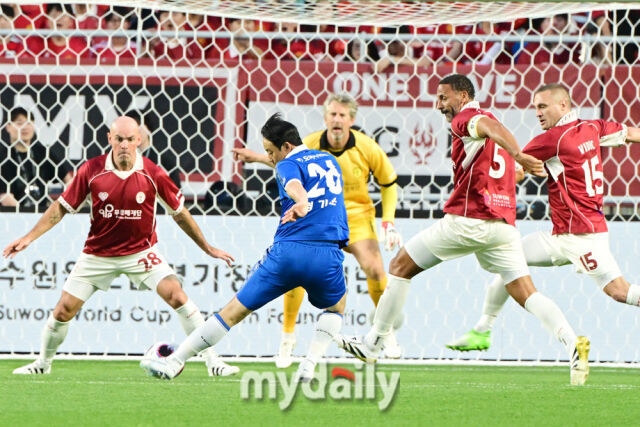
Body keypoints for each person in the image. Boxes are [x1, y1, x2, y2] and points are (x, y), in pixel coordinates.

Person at [336, 74, 591, 386]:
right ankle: (572, 343)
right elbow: (507, 166)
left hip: (467, 221)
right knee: (526, 292)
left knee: (400, 266)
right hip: (502, 227)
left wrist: (519, 155)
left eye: (444, 97)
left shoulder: (467, 119)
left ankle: (374, 343)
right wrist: (515, 164)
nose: (438, 105)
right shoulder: (492, 124)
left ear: (463, 96)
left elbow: (489, 128)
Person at [5, 116, 239, 377]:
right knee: (63, 311)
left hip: (142, 253)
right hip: (98, 254)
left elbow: (180, 213)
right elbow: (61, 208)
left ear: (139, 139)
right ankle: (42, 364)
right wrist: (29, 237)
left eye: (129, 139)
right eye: (119, 139)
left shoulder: (153, 173)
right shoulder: (91, 170)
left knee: (177, 295)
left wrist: (208, 248)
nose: (124, 145)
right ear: (110, 139)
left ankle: (213, 362)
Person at [141, 113, 350, 382]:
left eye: (270, 151)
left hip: (288, 253)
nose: (270, 157)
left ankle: (174, 361)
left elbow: (293, 181)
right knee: (335, 308)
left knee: (232, 313)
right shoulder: (329, 160)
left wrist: (302, 201)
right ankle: (308, 366)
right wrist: (259, 158)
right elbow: (295, 165)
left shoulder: (287, 166)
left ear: (286, 146)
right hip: (327, 254)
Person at [446, 83, 640, 352]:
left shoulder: (552, 139)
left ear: (563, 105)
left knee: (620, 291)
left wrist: (487, 184)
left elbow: (515, 171)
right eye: (535, 107)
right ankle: (482, 330)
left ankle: (485, 330)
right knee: (510, 262)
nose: (537, 112)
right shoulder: (593, 127)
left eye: (543, 106)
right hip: (561, 236)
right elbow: (631, 133)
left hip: (583, 236)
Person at [232, 93, 403, 366]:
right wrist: (256, 157)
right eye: (332, 114)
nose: (337, 120)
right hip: (316, 215)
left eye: (342, 115)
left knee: (374, 269)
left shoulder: (367, 147)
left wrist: (388, 221)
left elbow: (389, 183)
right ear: (325, 118)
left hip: (356, 217)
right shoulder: (310, 143)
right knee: (297, 273)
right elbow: (285, 161)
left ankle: (385, 333)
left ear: (351, 120)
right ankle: (288, 338)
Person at [0, 107, 72, 210]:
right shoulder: (3, 156)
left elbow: (68, 180)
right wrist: (25, 214)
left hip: (41, 213)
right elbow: (5, 198)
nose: (25, 127)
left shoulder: (42, 153)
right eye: (19, 123)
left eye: (29, 123)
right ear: (8, 127)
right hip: (12, 214)